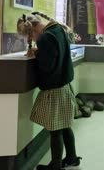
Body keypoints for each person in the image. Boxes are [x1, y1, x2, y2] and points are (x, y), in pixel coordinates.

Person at [17, 12, 81, 170]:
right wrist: (40, 52)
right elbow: (57, 55)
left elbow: (47, 66)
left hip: (54, 89)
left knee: (54, 130)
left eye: (29, 35)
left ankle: (55, 165)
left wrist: (37, 53)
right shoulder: (58, 29)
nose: (31, 39)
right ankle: (72, 158)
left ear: (32, 31)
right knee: (65, 125)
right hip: (65, 86)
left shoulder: (45, 38)